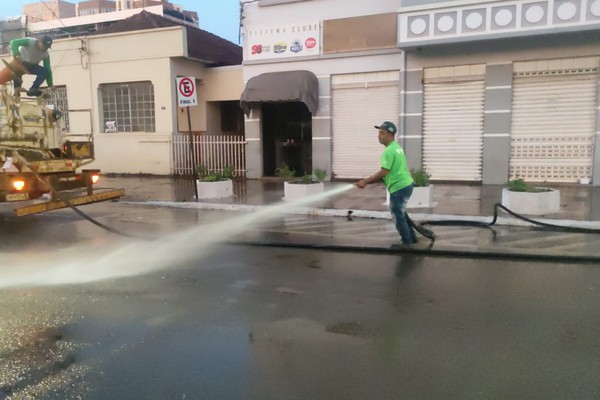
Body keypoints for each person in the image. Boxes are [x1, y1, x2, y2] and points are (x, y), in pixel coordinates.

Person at [356, 121, 418, 247]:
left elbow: (384, 171)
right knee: (401, 213)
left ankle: (407, 243)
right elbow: (389, 171)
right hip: (406, 185)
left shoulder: (389, 151)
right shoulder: (396, 147)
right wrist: (368, 180)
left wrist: (366, 181)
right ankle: (412, 238)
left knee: (397, 215)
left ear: (390, 135)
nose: (379, 136)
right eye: (379, 133)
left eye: (382, 133)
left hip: (399, 187)